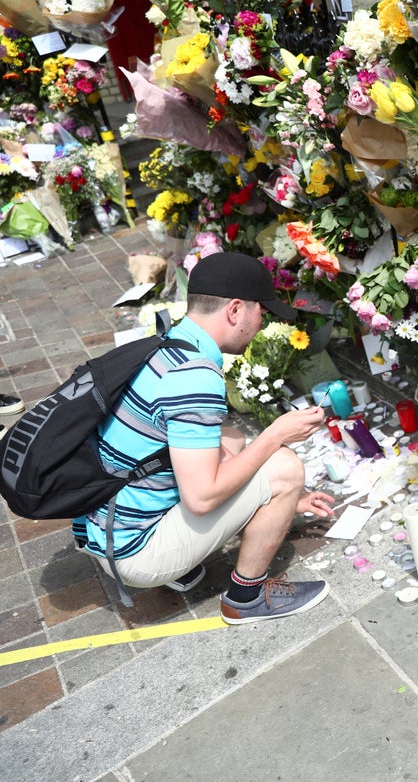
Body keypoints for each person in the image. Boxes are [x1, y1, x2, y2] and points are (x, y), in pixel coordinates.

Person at [72, 253, 335, 624]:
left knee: (230, 438)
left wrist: (276, 504)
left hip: (104, 525)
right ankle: (247, 597)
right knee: (284, 467)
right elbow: (201, 498)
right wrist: (275, 435)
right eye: (263, 311)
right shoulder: (196, 377)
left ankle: (190, 558)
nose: (262, 323)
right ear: (236, 310)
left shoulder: (165, 344)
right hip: (133, 552)